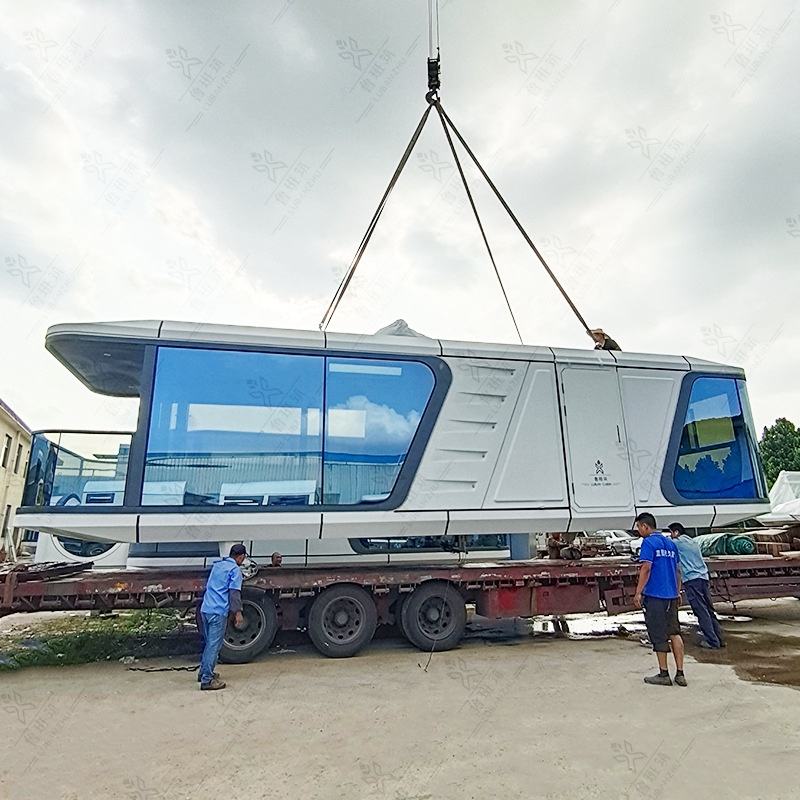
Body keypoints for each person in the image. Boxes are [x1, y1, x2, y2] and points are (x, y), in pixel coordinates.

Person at [633, 512, 686, 687]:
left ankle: (664, 674)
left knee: (658, 635)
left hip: (655, 596)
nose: (638, 531)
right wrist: (677, 591)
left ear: (645, 526)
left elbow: (646, 568)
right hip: (671, 596)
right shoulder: (671, 544)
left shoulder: (648, 543)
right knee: (675, 632)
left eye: (638, 527)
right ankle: (680, 673)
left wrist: (638, 592)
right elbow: (678, 570)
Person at [667, 522, 725, 649]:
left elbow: (664, 545)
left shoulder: (676, 542)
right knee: (709, 610)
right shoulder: (693, 542)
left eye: (670, 533)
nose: (670, 536)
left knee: (701, 611)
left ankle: (712, 641)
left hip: (692, 580)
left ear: (676, 532)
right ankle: (719, 639)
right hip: (703, 578)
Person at [198, 543, 247, 691]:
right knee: (214, 646)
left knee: (209, 644)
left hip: (205, 609)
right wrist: (238, 613)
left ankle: (203, 672)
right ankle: (207, 680)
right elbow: (234, 594)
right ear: (241, 557)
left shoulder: (218, 565)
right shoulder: (235, 570)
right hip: (218, 612)